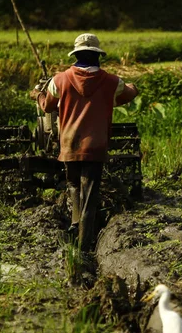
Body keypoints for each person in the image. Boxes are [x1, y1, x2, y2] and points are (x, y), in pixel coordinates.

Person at [30, 33, 139, 252]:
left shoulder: (59, 80)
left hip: (69, 144)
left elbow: (48, 107)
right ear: (98, 57)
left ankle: (76, 225)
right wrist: (134, 86)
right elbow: (127, 95)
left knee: (73, 184)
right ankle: (84, 244)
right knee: (91, 193)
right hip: (96, 146)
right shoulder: (111, 81)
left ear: (76, 55)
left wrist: (37, 95)